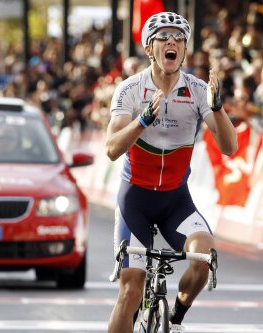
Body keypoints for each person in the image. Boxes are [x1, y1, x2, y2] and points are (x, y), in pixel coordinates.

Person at [105, 12, 237, 333]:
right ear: (150, 48)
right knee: (131, 290)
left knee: (204, 257)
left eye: (178, 38)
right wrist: (142, 122)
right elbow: (111, 149)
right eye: (164, 37)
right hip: (134, 200)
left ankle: (175, 318)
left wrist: (218, 110)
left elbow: (230, 147)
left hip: (175, 201)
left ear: (184, 49)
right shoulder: (130, 89)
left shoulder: (196, 89)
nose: (172, 42)